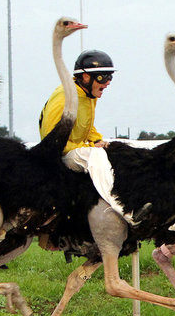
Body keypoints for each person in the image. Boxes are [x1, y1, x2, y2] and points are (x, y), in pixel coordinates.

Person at [39, 49, 131, 221]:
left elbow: (86, 125)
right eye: (103, 77)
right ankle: (123, 207)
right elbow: (50, 141)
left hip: (77, 151)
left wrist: (97, 140)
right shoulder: (64, 96)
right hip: (60, 155)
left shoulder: (88, 95)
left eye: (110, 76)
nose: (108, 82)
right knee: (94, 154)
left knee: (121, 147)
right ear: (86, 77)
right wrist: (89, 147)